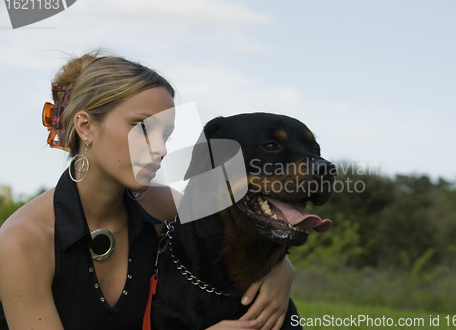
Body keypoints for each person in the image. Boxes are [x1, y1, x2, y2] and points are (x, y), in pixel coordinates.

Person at [0, 52, 295, 330]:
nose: (162, 148)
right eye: (141, 127)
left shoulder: (167, 205)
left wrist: (282, 270)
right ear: (86, 126)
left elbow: (244, 227)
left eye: (165, 134)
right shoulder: (22, 241)